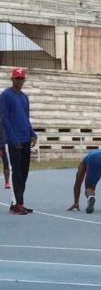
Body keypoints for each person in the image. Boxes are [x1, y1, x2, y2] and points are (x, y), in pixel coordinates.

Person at [1, 67, 36, 215]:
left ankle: (19, 202)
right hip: (13, 140)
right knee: (16, 172)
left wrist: (32, 133)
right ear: (12, 79)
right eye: (17, 78)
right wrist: (12, 138)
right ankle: (16, 205)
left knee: (24, 173)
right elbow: (4, 119)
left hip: (25, 138)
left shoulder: (24, 97)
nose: (20, 81)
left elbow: (26, 118)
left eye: (22, 78)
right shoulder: (5, 96)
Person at [70, 142, 101, 213]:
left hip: (94, 159)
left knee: (90, 187)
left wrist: (76, 202)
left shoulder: (83, 162)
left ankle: (91, 197)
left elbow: (78, 183)